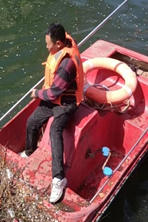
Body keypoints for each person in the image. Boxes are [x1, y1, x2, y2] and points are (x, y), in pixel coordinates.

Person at [21, 22, 84, 204]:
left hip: (67, 103)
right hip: (55, 99)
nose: (46, 47)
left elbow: (53, 92)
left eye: (48, 44)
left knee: (55, 131)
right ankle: (29, 151)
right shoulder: (62, 45)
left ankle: (59, 179)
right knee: (32, 122)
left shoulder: (67, 65)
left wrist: (36, 94)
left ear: (58, 44)